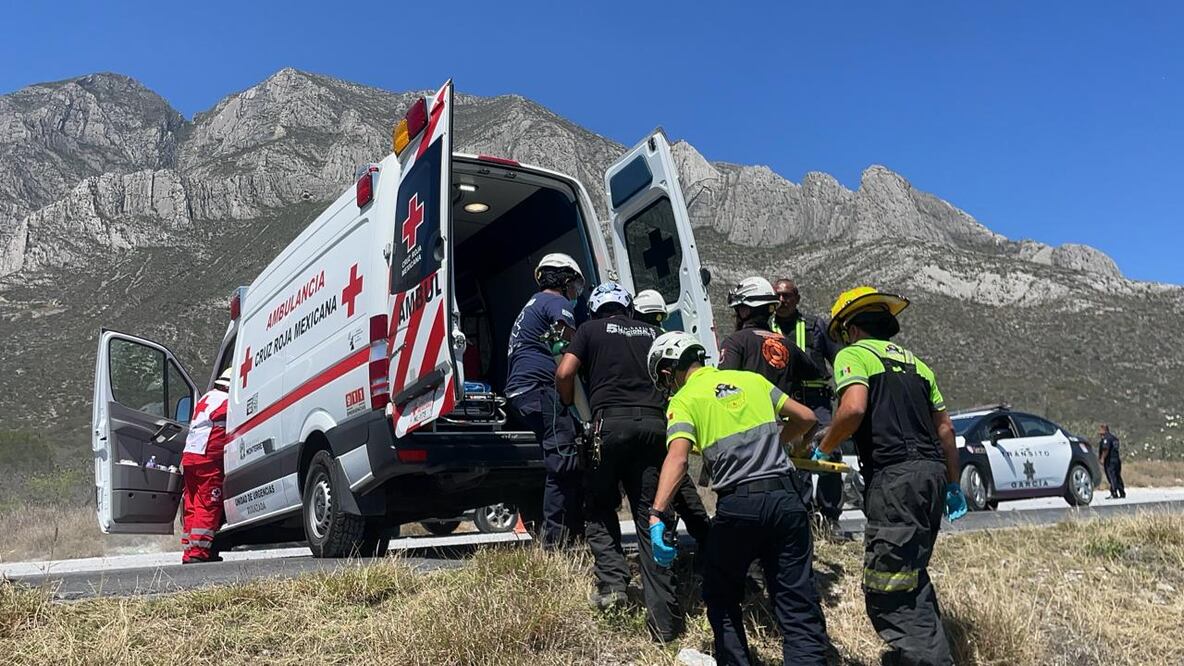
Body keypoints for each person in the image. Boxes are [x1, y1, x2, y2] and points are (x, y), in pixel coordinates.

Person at [647, 331, 830, 665]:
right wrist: (780, 444)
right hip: (786, 500)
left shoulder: (684, 400)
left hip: (739, 506)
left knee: (720, 594)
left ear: (667, 371)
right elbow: (807, 417)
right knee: (796, 604)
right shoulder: (752, 380)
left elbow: (677, 458)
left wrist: (657, 513)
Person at [813, 286, 966, 666]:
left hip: (894, 479)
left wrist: (825, 445)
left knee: (888, 592)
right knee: (911, 574)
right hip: (930, 476)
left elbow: (852, 410)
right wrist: (952, 483)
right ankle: (923, 654)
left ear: (849, 328)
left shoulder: (854, 355)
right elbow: (945, 431)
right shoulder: (918, 364)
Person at [556, 282, 682, 640]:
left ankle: (613, 587)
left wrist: (569, 404)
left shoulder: (589, 329)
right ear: (627, 308)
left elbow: (565, 372)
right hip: (655, 428)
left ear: (596, 309)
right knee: (651, 516)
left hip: (608, 427)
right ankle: (665, 622)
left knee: (598, 506)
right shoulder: (654, 332)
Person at [505, 253, 586, 548]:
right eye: (574, 286)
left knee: (557, 459)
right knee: (563, 463)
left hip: (521, 391)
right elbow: (571, 348)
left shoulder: (531, 306)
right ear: (563, 280)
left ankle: (559, 532)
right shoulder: (557, 303)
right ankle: (557, 544)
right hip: (539, 389)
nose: (575, 294)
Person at [631, 287, 713, 545]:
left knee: (660, 487)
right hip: (664, 426)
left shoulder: (632, 344)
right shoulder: (668, 342)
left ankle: (664, 541)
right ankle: (708, 546)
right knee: (683, 491)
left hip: (643, 427)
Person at [771, 278, 845, 540]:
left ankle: (830, 517)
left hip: (817, 401)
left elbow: (840, 359)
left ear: (797, 298)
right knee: (793, 456)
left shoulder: (816, 326)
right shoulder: (766, 329)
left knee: (831, 451)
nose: (782, 300)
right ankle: (803, 515)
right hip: (785, 401)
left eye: (787, 295)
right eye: (777, 295)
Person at [180, 368, 232, 564]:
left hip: (190, 457)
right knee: (208, 504)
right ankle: (199, 553)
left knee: (192, 505)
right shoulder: (226, 402)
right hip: (207, 459)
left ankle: (189, 552)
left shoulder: (208, 398)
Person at [1099, 424, 1126, 499]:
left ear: (1104, 429)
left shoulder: (1106, 438)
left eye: (1100, 430)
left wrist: (1102, 459)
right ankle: (1122, 492)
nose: (1099, 432)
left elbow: (1105, 449)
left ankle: (1114, 492)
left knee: (1111, 476)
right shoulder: (1114, 438)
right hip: (1117, 460)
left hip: (1110, 461)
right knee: (1117, 476)